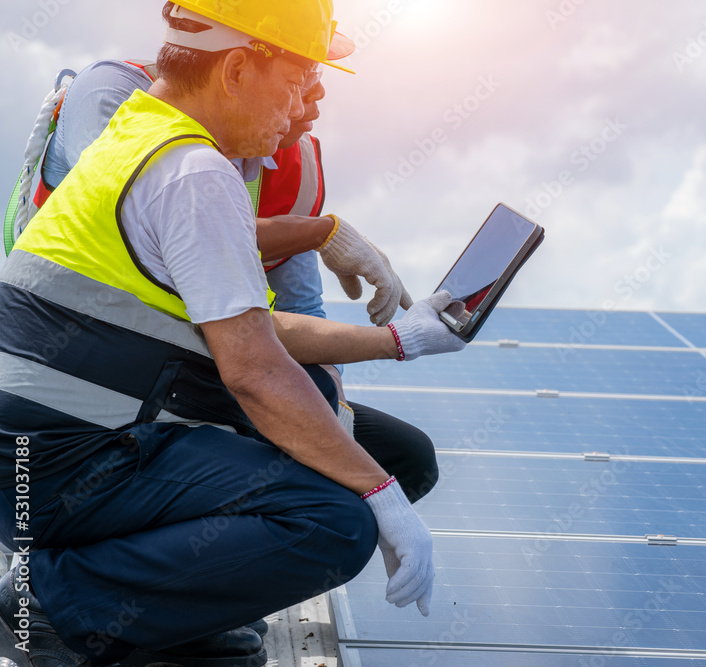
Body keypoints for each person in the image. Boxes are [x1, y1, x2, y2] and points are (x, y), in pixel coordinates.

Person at [0, 2, 464, 666]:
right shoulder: (192, 170)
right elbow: (254, 370)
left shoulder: (142, 135)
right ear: (239, 67)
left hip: (36, 457)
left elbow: (251, 327)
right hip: (59, 467)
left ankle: (159, 606)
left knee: (356, 453)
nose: (305, 103)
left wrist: (402, 340)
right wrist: (380, 494)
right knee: (330, 521)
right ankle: (52, 600)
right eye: (299, 77)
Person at [25, 48, 439, 504]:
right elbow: (152, 224)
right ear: (240, 64)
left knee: (397, 456)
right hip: (83, 357)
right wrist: (319, 234)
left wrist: (331, 402)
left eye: (316, 74)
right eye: (299, 74)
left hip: (198, 360)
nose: (312, 97)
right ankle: (54, 566)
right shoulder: (115, 94)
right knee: (329, 507)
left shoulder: (293, 166)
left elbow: (294, 308)